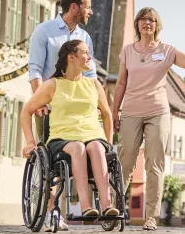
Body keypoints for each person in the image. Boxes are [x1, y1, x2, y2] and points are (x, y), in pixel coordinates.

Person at [113, 7, 185, 231]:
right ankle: (115, 209)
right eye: (143, 19)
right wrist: (114, 112)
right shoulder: (128, 51)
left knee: (155, 164)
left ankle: (151, 217)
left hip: (158, 111)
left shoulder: (167, 50)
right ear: (137, 24)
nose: (147, 23)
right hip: (130, 111)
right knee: (125, 162)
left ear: (157, 25)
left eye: (151, 20)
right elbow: (120, 83)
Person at [21, 40, 118, 219]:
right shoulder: (53, 85)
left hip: (93, 136)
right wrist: (30, 142)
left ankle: (107, 205)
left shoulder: (94, 84)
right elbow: (26, 111)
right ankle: (86, 206)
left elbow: (106, 115)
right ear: (71, 57)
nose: (90, 57)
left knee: (96, 147)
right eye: (85, 52)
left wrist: (108, 144)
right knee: (78, 147)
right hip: (62, 139)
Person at [28, 0, 96, 231]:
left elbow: (92, 74)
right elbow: (35, 69)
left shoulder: (85, 37)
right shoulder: (44, 31)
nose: (91, 11)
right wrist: (39, 101)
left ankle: (82, 205)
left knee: (84, 152)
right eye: (88, 6)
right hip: (49, 106)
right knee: (50, 162)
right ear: (75, 7)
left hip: (78, 111)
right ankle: (50, 213)